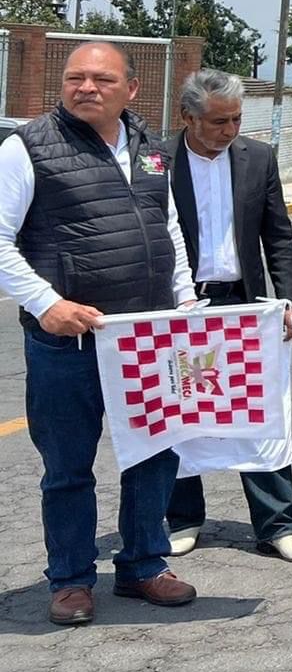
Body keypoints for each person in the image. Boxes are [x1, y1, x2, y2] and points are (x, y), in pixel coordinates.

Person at [0, 42, 200, 624]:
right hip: (70, 340)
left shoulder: (150, 149)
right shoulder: (27, 148)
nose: (86, 87)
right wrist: (46, 303)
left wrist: (184, 298)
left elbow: (168, 230)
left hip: (148, 337)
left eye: (101, 79)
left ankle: (143, 565)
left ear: (131, 89)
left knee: (155, 455)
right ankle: (70, 579)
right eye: (75, 78)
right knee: (67, 466)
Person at [163, 69, 292, 565]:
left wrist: (289, 299)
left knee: (259, 411)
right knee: (183, 415)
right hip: (181, 307)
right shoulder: (158, 162)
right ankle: (183, 519)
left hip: (245, 304)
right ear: (188, 118)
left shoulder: (257, 158)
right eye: (218, 122)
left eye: (236, 120)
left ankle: (276, 525)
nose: (229, 131)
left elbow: (277, 235)